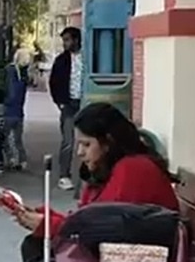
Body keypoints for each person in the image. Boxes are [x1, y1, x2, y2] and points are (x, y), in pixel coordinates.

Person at [11, 102, 178, 240]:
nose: (79, 152)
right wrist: (45, 219)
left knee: (38, 248)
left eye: (86, 144)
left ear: (108, 142)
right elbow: (88, 221)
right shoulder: (110, 169)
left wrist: (50, 225)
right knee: (35, 245)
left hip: (138, 260)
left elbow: (101, 228)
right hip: (121, 250)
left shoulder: (134, 169)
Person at [48, 27, 83, 191]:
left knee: (89, 140)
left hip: (85, 102)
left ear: (76, 40)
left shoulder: (88, 57)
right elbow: (53, 82)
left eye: (68, 40)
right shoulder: (61, 60)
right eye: (64, 40)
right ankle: (64, 175)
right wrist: (60, 102)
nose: (65, 43)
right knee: (68, 141)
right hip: (68, 104)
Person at [3, 47, 32, 170]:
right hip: (19, 111)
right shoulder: (24, 75)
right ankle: (22, 160)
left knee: (4, 138)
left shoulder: (10, 70)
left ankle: (11, 159)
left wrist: (4, 101)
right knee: (17, 139)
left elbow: (11, 92)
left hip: (8, 110)